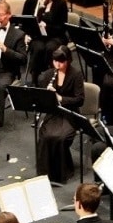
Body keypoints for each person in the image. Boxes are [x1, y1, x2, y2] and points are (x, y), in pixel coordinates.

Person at [35, 46, 84, 184]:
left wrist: (60, 98)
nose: (57, 64)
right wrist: (46, 94)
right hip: (54, 113)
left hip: (70, 113)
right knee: (45, 135)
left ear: (68, 60)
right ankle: (45, 174)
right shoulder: (48, 74)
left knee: (61, 137)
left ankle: (62, 173)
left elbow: (80, 100)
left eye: (61, 62)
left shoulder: (76, 74)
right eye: (55, 61)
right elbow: (42, 99)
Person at [23, 0, 69, 82]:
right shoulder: (31, 0)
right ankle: (35, 78)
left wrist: (47, 27)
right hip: (36, 36)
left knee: (50, 48)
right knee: (38, 48)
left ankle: (52, 78)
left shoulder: (61, 3)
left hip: (55, 36)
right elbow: (24, 21)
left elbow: (62, 27)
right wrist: (26, 34)